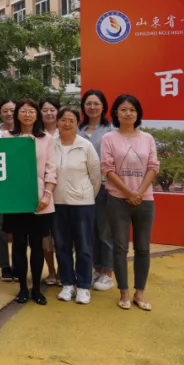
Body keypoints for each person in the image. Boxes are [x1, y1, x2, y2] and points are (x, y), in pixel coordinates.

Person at [102, 94, 159, 312]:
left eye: (132, 110)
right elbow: (107, 169)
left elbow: (153, 166)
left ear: (138, 114)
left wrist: (139, 192)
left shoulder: (147, 138)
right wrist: (128, 192)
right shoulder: (109, 138)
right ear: (116, 113)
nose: (128, 113)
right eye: (123, 109)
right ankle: (124, 292)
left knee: (143, 248)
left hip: (145, 200)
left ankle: (139, 293)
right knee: (120, 247)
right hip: (117, 199)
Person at [3, 99, 56, 305]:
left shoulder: (46, 138)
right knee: (18, 244)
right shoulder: (7, 137)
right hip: (15, 199)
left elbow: (51, 169)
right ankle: (23, 288)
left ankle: (37, 289)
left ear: (37, 115)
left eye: (31, 111)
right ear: (16, 114)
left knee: (37, 245)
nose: (27, 115)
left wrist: (47, 196)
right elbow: (1, 162)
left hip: (40, 199)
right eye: (23, 111)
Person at [52, 106, 101, 305]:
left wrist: (86, 194)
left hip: (82, 204)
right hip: (57, 203)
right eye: (63, 120)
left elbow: (96, 175)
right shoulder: (51, 144)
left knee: (84, 246)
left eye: (71, 120)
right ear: (57, 122)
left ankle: (83, 286)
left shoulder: (85, 145)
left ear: (77, 123)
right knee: (61, 246)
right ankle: (67, 284)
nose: (66, 124)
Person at [79, 88, 115, 292]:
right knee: (88, 231)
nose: (92, 107)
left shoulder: (111, 129)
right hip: (81, 188)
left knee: (105, 230)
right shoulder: (78, 129)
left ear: (103, 107)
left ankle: (107, 273)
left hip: (104, 186)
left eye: (96, 104)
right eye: (88, 103)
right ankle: (95, 269)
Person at [0, 99, 17, 282]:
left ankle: (18, 264)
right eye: (5, 110)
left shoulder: (25, 132)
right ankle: (4, 265)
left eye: (12, 110)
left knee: (19, 228)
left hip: (18, 186)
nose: (9, 114)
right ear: (0, 113)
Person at [38, 97, 62, 286]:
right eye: (44, 109)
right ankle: (51, 271)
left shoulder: (66, 130)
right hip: (43, 192)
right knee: (45, 236)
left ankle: (63, 271)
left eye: (52, 109)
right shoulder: (37, 134)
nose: (48, 113)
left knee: (62, 236)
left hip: (64, 192)